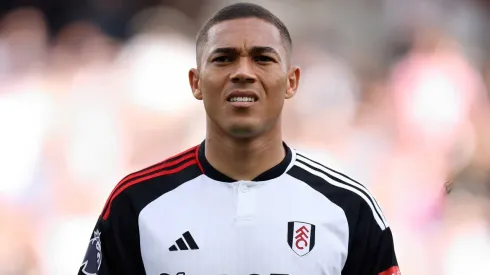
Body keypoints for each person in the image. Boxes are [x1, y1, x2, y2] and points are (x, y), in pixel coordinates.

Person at [78, 2, 400, 275]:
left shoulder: (349, 207)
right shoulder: (135, 203)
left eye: (262, 58)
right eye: (223, 58)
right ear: (196, 82)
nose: (243, 72)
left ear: (291, 82)